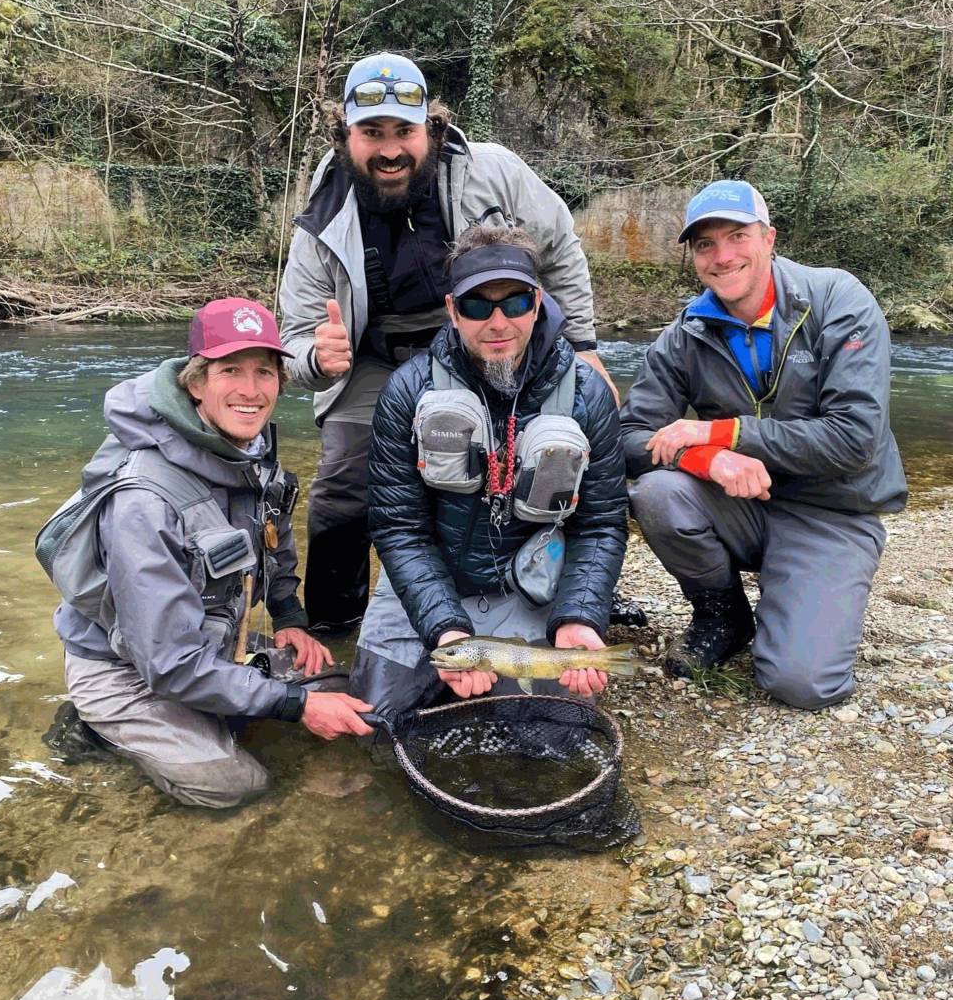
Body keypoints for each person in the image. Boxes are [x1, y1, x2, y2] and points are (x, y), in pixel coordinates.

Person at [278, 50, 639, 638]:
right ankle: (333, 628)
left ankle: (580, 593)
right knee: (344, 482)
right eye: (372, 133)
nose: (390, 149)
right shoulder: (323, 208)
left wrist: (584, 344)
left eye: (404, 131)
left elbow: (561, 248)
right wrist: (319, 360)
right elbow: (292, 340)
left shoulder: (492, 170)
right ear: (346, 135)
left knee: (553, 448)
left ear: (433, 128)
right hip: (374, 357)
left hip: (488, 330)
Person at [40, 298, 373, 808]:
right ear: (195, 383)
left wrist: (289, 617)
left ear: (281, 383)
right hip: (128, 668)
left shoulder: (253, 456)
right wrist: (295, 705)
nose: (250, 390)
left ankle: (215, 715)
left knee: (341, 686)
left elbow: (275, 546)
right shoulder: (143, 502)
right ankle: (95, 728)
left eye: (264, 371)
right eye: (230, 370)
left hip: (205, 642)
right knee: (235, 785)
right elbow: (169, 665)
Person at [619, 180, 908, 710]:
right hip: (742, 506)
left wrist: (723, 432)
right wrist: (705, 457)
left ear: (769, 237)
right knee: (658, 492)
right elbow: (628, 437)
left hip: (833, 510)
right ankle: (723, 614)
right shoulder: (684, 334)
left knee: (801, 686)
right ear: (692, 256)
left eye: (737, 236)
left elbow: (855, 439)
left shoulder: (837, 299)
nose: (723, 256)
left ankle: (803, 589)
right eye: (705, 244)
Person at [348, 225, 629, 720]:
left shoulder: (589, 395)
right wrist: (444, 628)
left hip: (529, 585)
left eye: (515, 303)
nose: (498, 322)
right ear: (453, 311)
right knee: (373, 724)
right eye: (478, 306)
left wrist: (580, 615)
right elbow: (399, 530)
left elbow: (600, 525)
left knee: (555, 733)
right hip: (431, 580)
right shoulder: (406, 392)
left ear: (538, 303)